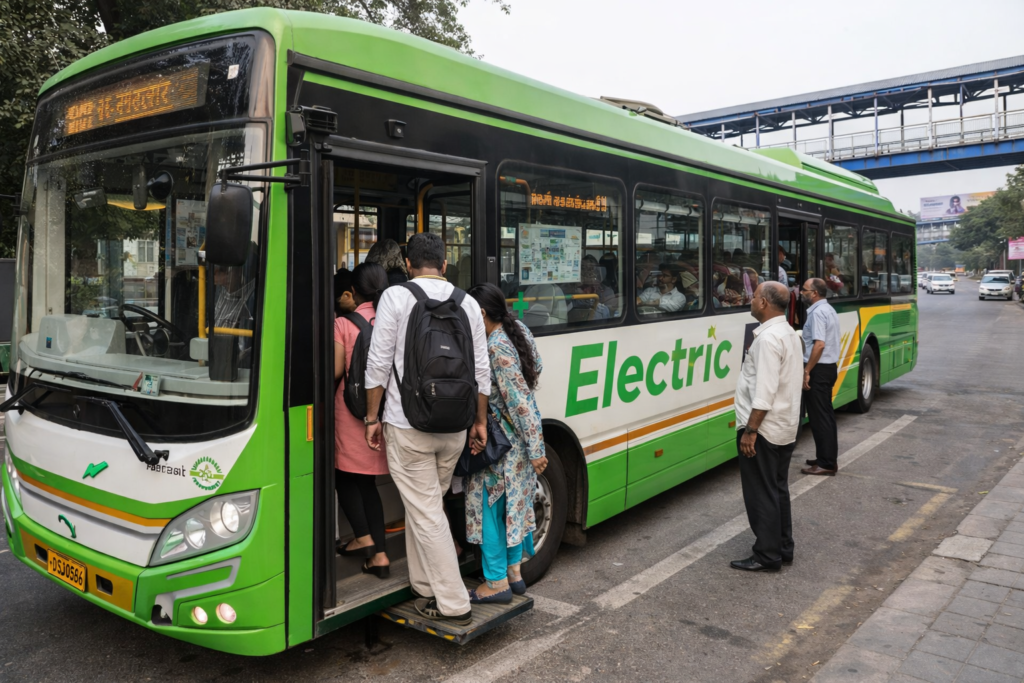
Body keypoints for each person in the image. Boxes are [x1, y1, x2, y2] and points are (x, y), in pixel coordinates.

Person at [363, 231, 490, 626]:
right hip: (454, 427)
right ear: (445, 264)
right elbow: (481, 372)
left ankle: (453, 602)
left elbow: (377, 364)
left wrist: (371, 417)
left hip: (408, 424)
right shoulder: (467, 302)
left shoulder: (396, 297)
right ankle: (422, 584)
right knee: (426, 505)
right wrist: (479, 421)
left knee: (427, 511)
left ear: (407, 265)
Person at [463, 283, 547, 604]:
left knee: (488, 509)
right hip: (517, 447)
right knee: (512, 508)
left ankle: (495, 582)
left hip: (501, 446)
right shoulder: (518, 329)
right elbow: (536, 367)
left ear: (481, 313)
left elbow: (520, 401)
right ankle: (514, 574)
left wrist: (538, 449)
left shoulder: (495, 346)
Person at [731, 281, 803, 572]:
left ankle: (767, 554)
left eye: (754, 296)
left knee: (761, 493)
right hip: (784, 426)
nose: (750, 299)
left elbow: (764, 391)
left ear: (763, 303)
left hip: (764, 429)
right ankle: (783, 547)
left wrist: (751, 431)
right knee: (777, 489)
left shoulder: (767, 339)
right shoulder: (788, 333)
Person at [334, 263, 391, 577]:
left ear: (352, 291)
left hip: (350, 412)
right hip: (382, 412)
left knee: (343, 477)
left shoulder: (343, 323)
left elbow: (336, 371)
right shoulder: (391, 318)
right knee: (368, 485)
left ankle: (363, 537)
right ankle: (379, 555)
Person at [799, 278, 842, 476]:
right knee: (824, 416)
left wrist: (807, 371)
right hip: (828, 368)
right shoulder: (828, 310)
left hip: (819, 369)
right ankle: (825, 457)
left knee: (820, 417)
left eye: (804, 290)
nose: (801, 292)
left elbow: (819, 345)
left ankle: (826, 463)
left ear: (814, 293)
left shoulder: (817, 313)